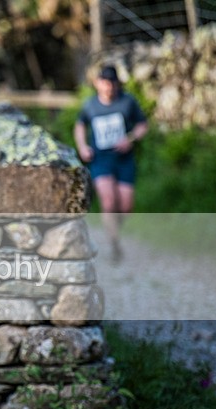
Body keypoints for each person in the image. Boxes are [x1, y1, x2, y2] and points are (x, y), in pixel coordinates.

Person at [74, 64, 148, 262]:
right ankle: (114, 242)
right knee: (108, 201)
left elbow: (142, 125)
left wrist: (130, 139)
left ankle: (117, 229)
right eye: (105, 83)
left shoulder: (127, 101)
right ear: (98, 83)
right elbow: (80, 125)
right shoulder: (90, 105)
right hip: (101, 160)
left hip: (124, 160)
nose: (109, 88)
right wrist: (82, 146)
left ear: (117, 84)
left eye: (112, 83)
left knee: (126, 207)